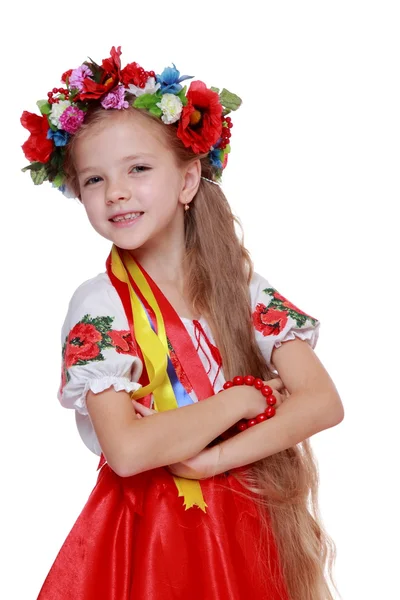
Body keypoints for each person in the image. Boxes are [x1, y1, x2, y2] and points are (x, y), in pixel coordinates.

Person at [21, 46, 344, 600]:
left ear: (189, 178)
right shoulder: (101, 303)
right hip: (149, 534)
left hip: (247, 521)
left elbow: (322, 402)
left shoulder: (242, 286)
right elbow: (126, 450)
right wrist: (246, 400)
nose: (116, 192)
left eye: (138, 169)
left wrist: (214, 457)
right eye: (94, 180)